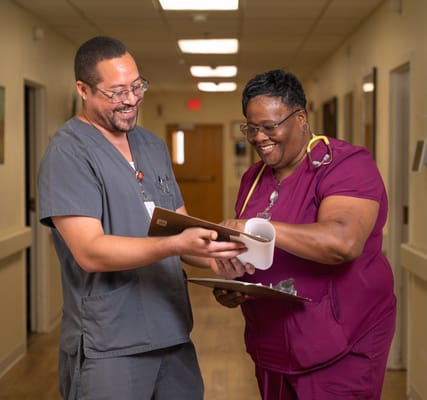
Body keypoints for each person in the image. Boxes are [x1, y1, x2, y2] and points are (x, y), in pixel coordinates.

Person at [37, 36, 246, 400]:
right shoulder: (68, 153)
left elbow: (181, 231)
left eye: (137, 86)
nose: (132, 99)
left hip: (173, 332)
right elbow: (90, 251)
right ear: (83, 89)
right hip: (111, 343)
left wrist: (220, 253)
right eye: (116, 92)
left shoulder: (151, 145)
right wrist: (176, 243)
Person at [212, 69, 396, 399]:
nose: (258, 137)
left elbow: (342, 242)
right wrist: (234, 287)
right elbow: (254, 257)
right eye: (251, 128)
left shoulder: (346, 164)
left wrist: (258, 229)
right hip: (272, 346)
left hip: (341, 346)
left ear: (300, 118)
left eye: (270, 126)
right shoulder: (254, 178)